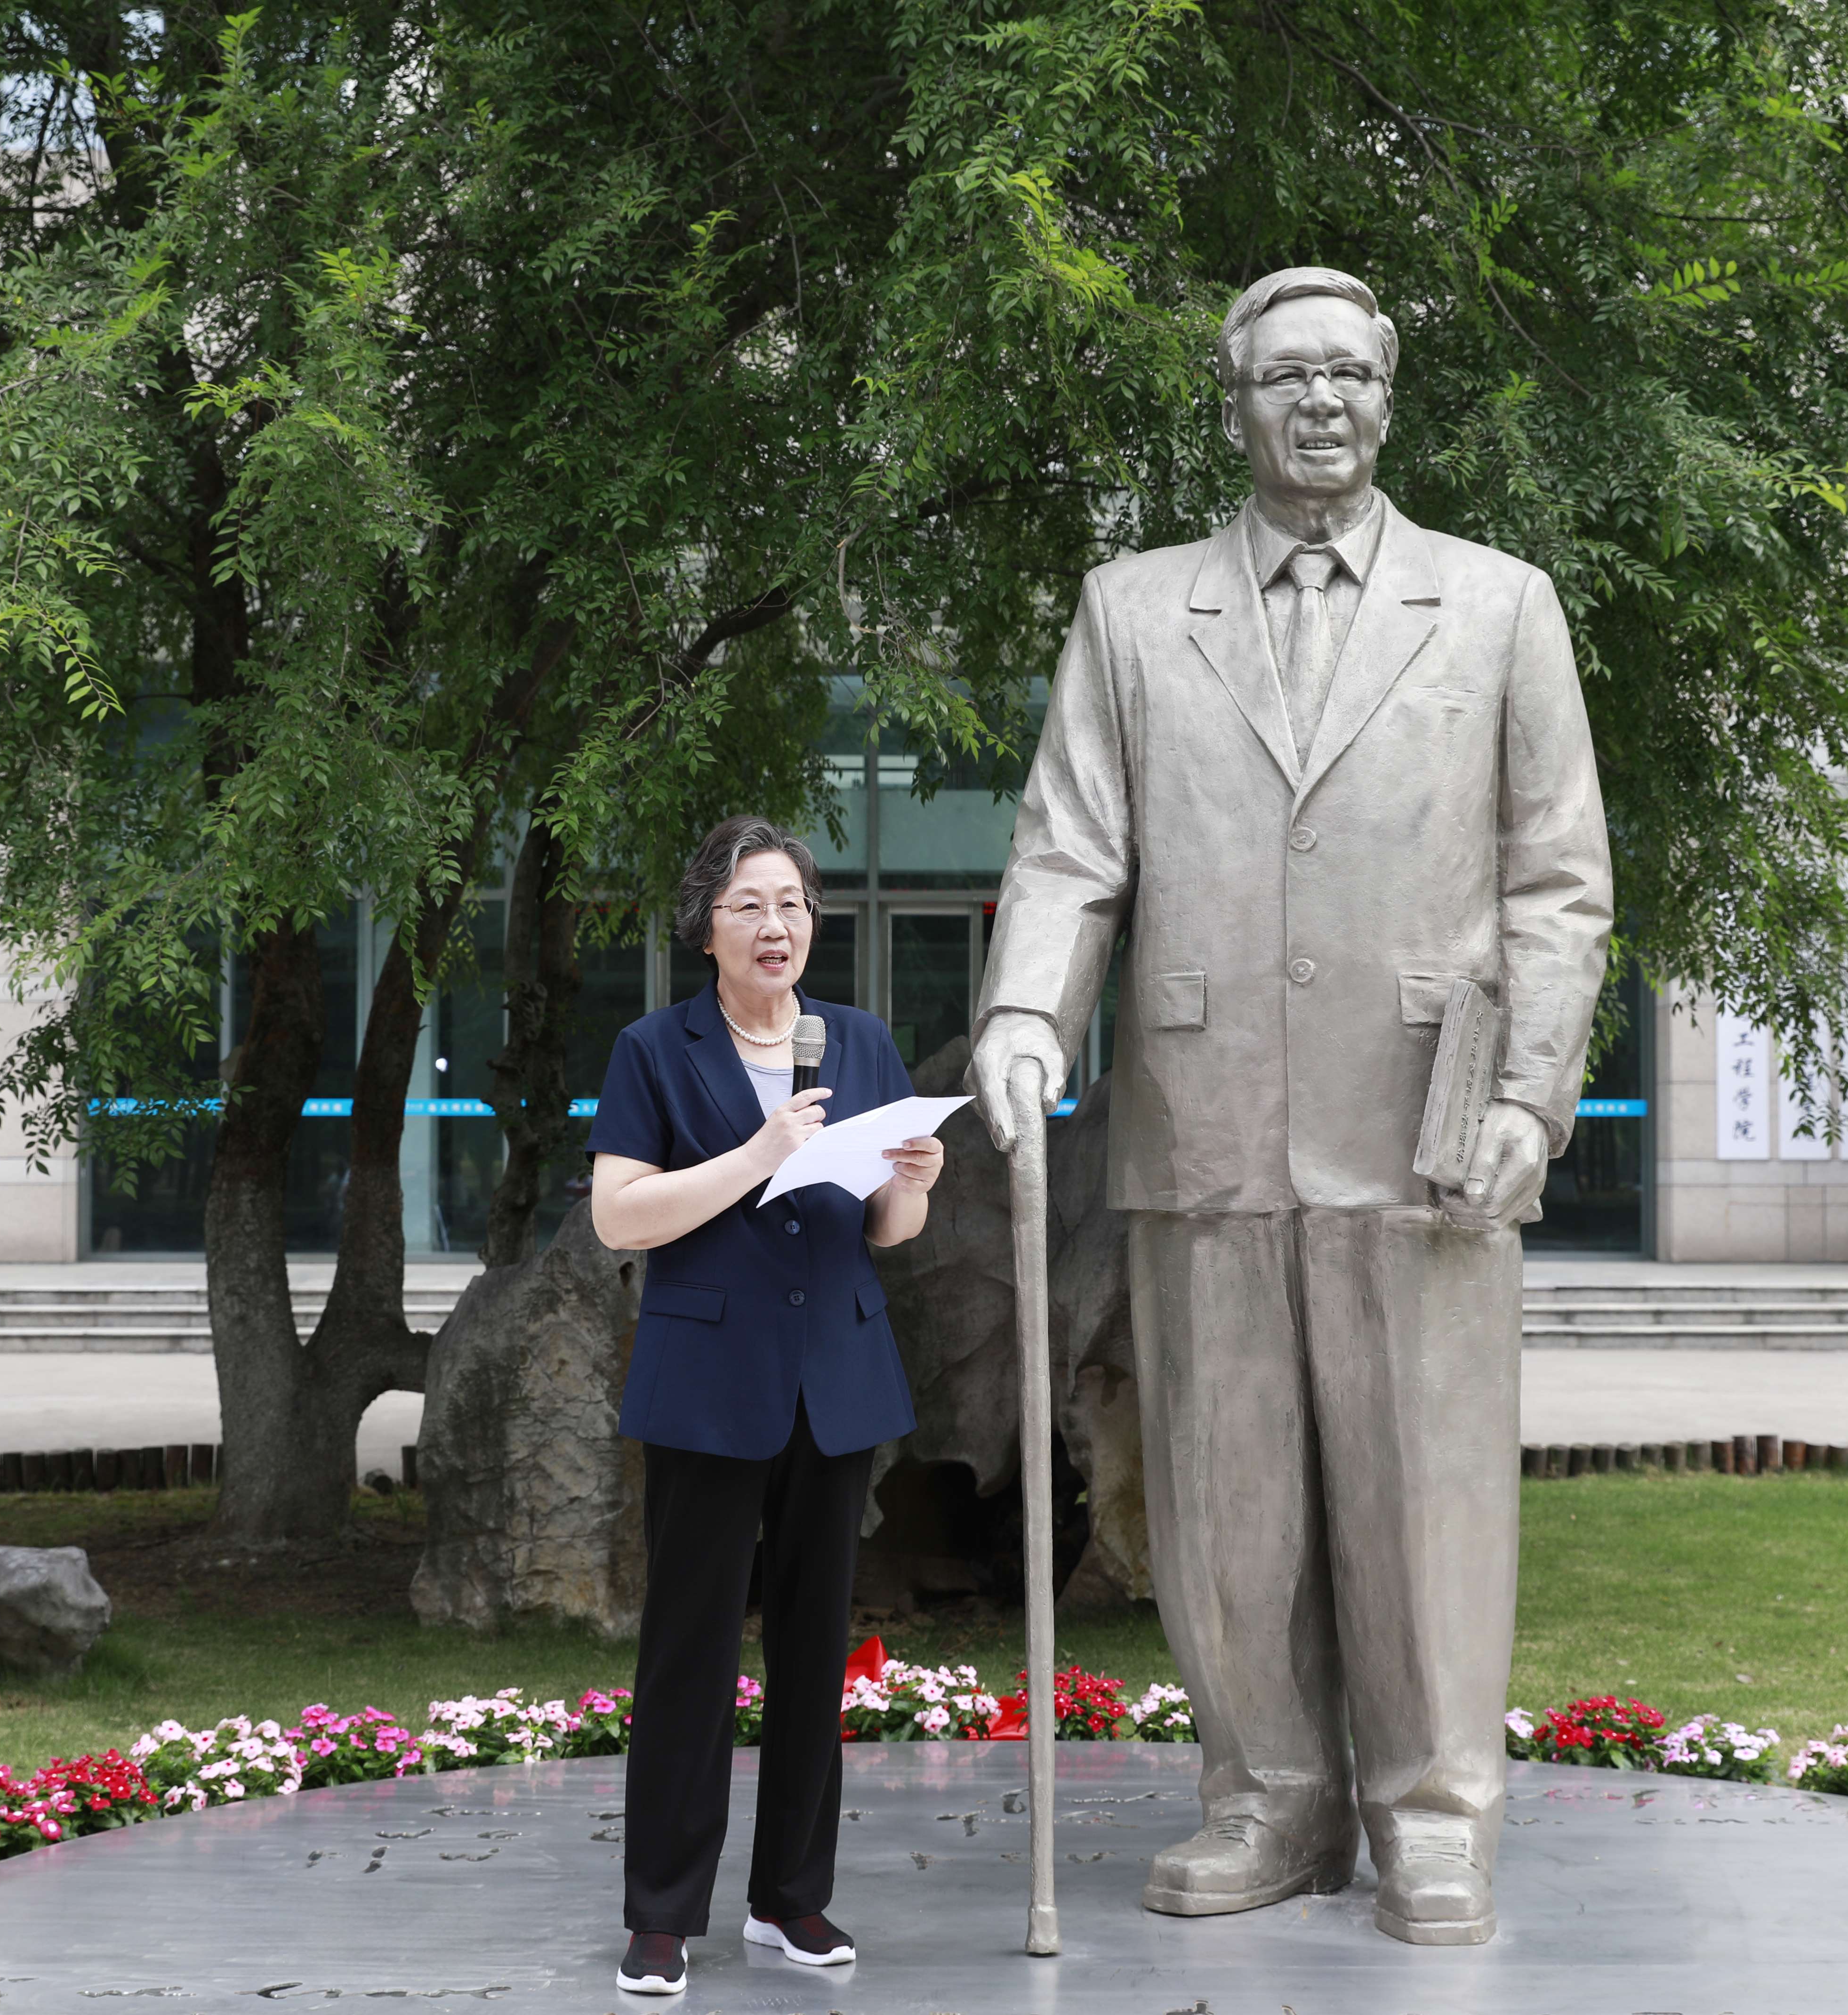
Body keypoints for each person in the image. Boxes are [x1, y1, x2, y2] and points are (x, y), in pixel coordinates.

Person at [968, 267, 1613, 1946]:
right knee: (1224, 1494)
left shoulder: (1500, 607)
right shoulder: (1132, 611)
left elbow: (1557, 883)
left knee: (1426, 1492)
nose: (1318, 402)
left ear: (1386, 396)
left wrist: (1532, 1099)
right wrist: (1028, 1014)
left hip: (1427, 1121)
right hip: (1206, 1112)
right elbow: (1068, 848)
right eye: (1283, 379)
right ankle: (1267, 1799)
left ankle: (1433, 1820)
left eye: (1346, 374)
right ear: (1236, 404)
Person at [586, 814, 946, 1996]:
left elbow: (886, 1231)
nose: (775, 924)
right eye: (749, 904)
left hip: (833, 1383)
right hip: (706, 1387)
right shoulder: (654, 1048)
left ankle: (792, 1898)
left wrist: (913, 1183)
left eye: (791, 903)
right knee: (687, 1652)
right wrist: (757, 1152)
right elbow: (619, 1216)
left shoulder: (860, 1041)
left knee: (812, 1650)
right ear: (706, 928)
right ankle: (660, 1913)